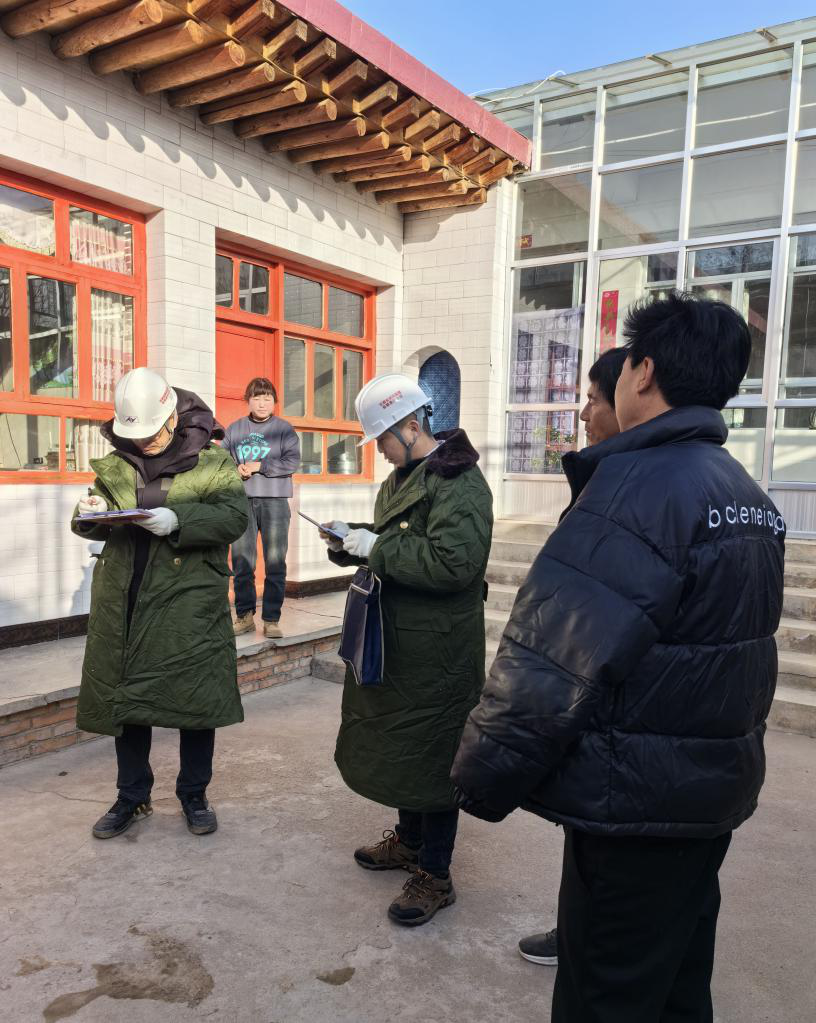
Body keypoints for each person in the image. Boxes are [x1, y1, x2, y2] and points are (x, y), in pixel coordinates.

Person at [452, 295, 786, 1022]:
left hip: (635, 805)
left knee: (604, 995)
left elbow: (554, 655)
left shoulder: (635, 489)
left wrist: (482, 774)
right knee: (677, 985)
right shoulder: (747, 494)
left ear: (643, 371)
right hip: (707, 798)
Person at [322, 373, 493, 927]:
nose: (379, 450)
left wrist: (376, 545)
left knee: (435, 758)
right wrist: (352, 540)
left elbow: (453, 563)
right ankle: (410, 842)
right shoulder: (404, 477)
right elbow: (397, 539)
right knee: (403, 746)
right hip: (397, 643)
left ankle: (435, 875)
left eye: (382, 439)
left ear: (412, 426)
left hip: (439, 652)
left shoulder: (459, 482)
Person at [72, 367, 249, 840]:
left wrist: (178, 520)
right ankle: (132, 796)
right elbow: (93, 513)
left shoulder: (212, 462)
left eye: (151, 431)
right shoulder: (119, 462)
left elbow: (234, 517)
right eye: (136, 433)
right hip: (126, 597)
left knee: (196, 698)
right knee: (128, 700)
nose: (144, 441)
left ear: (172, 417)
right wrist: (90, 513)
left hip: (187, 600)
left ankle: (194, 794)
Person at [518, 345, 628, 968]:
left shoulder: (629, 491)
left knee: (611, 850)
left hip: (625, 720)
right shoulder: (611, 478)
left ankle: (586, 944)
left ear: (637, 388)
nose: (583, 413)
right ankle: (578, 932)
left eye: (592, 399)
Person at [223, 378, 300, 640]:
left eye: (267, 398)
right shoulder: (235, 429)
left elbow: (292, 462)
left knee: (275, 561)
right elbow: (221, 461)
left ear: (274, 401)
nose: (262, 403)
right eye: (257, 398)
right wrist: (235, 469)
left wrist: (260, 466)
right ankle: (244, 617)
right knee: (242, 562)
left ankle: (271, 619)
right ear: (248, 400)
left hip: (274, 502)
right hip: (242, 501)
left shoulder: (283, 429)